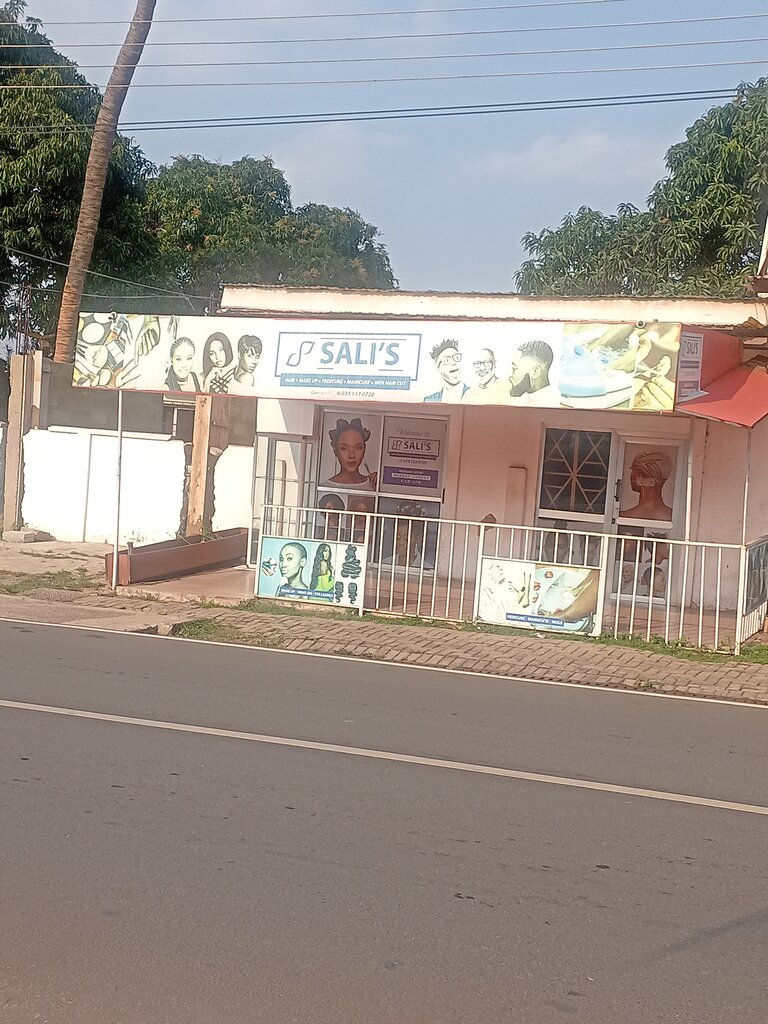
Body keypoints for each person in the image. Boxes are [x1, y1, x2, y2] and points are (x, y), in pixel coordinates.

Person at [323, 417, 377, 489]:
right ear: (335, 450)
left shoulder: (373, 483)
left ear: (364, 449)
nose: (351, 455)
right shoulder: (323, 487)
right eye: (344, 448)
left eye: (358, 448)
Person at [620, 451, 674, 521]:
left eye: (633, 470)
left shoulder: (622, 517)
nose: (631, 476)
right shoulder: (673, 516)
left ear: (639, 475)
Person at [508, 339, 557, 405]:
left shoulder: (552, 405)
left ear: (535, 372)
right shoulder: (521, 401)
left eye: (514, 368)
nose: (510, 375)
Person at [424, 339, 468, 403]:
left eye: (456, 357)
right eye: (446, 360)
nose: (453, 362)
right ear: (438, 368)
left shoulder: (475, 394)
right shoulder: (429, 400)